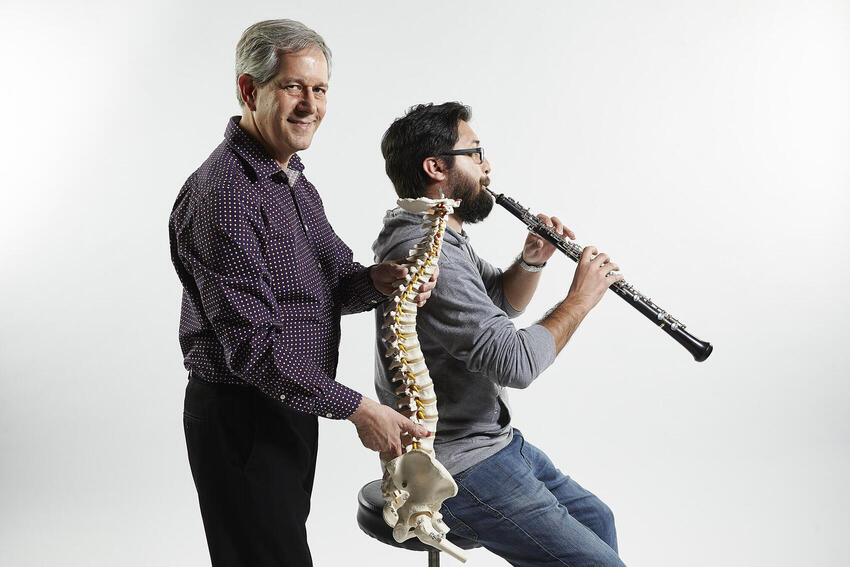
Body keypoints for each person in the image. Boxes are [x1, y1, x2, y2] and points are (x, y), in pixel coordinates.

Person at [168, 20, 434, 567]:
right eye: (294, 87)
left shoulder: (291, 179)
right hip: (242, 419)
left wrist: (380, 280)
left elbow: (335, 279)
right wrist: (360, 408)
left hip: (287, 408)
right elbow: (255, 351)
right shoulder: (225, 196)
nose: (309, 105)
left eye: (320, 90)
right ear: (250, 90)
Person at [373, 102, 627, 567]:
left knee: (598, 519)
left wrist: (532, 259)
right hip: (459, 465)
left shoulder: (439, 234)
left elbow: (499, 302)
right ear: (436, 167)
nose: (488, 165)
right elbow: (516, 364)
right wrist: (581, 299)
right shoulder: (426, 248)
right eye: (476, 153)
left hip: (493, 440)